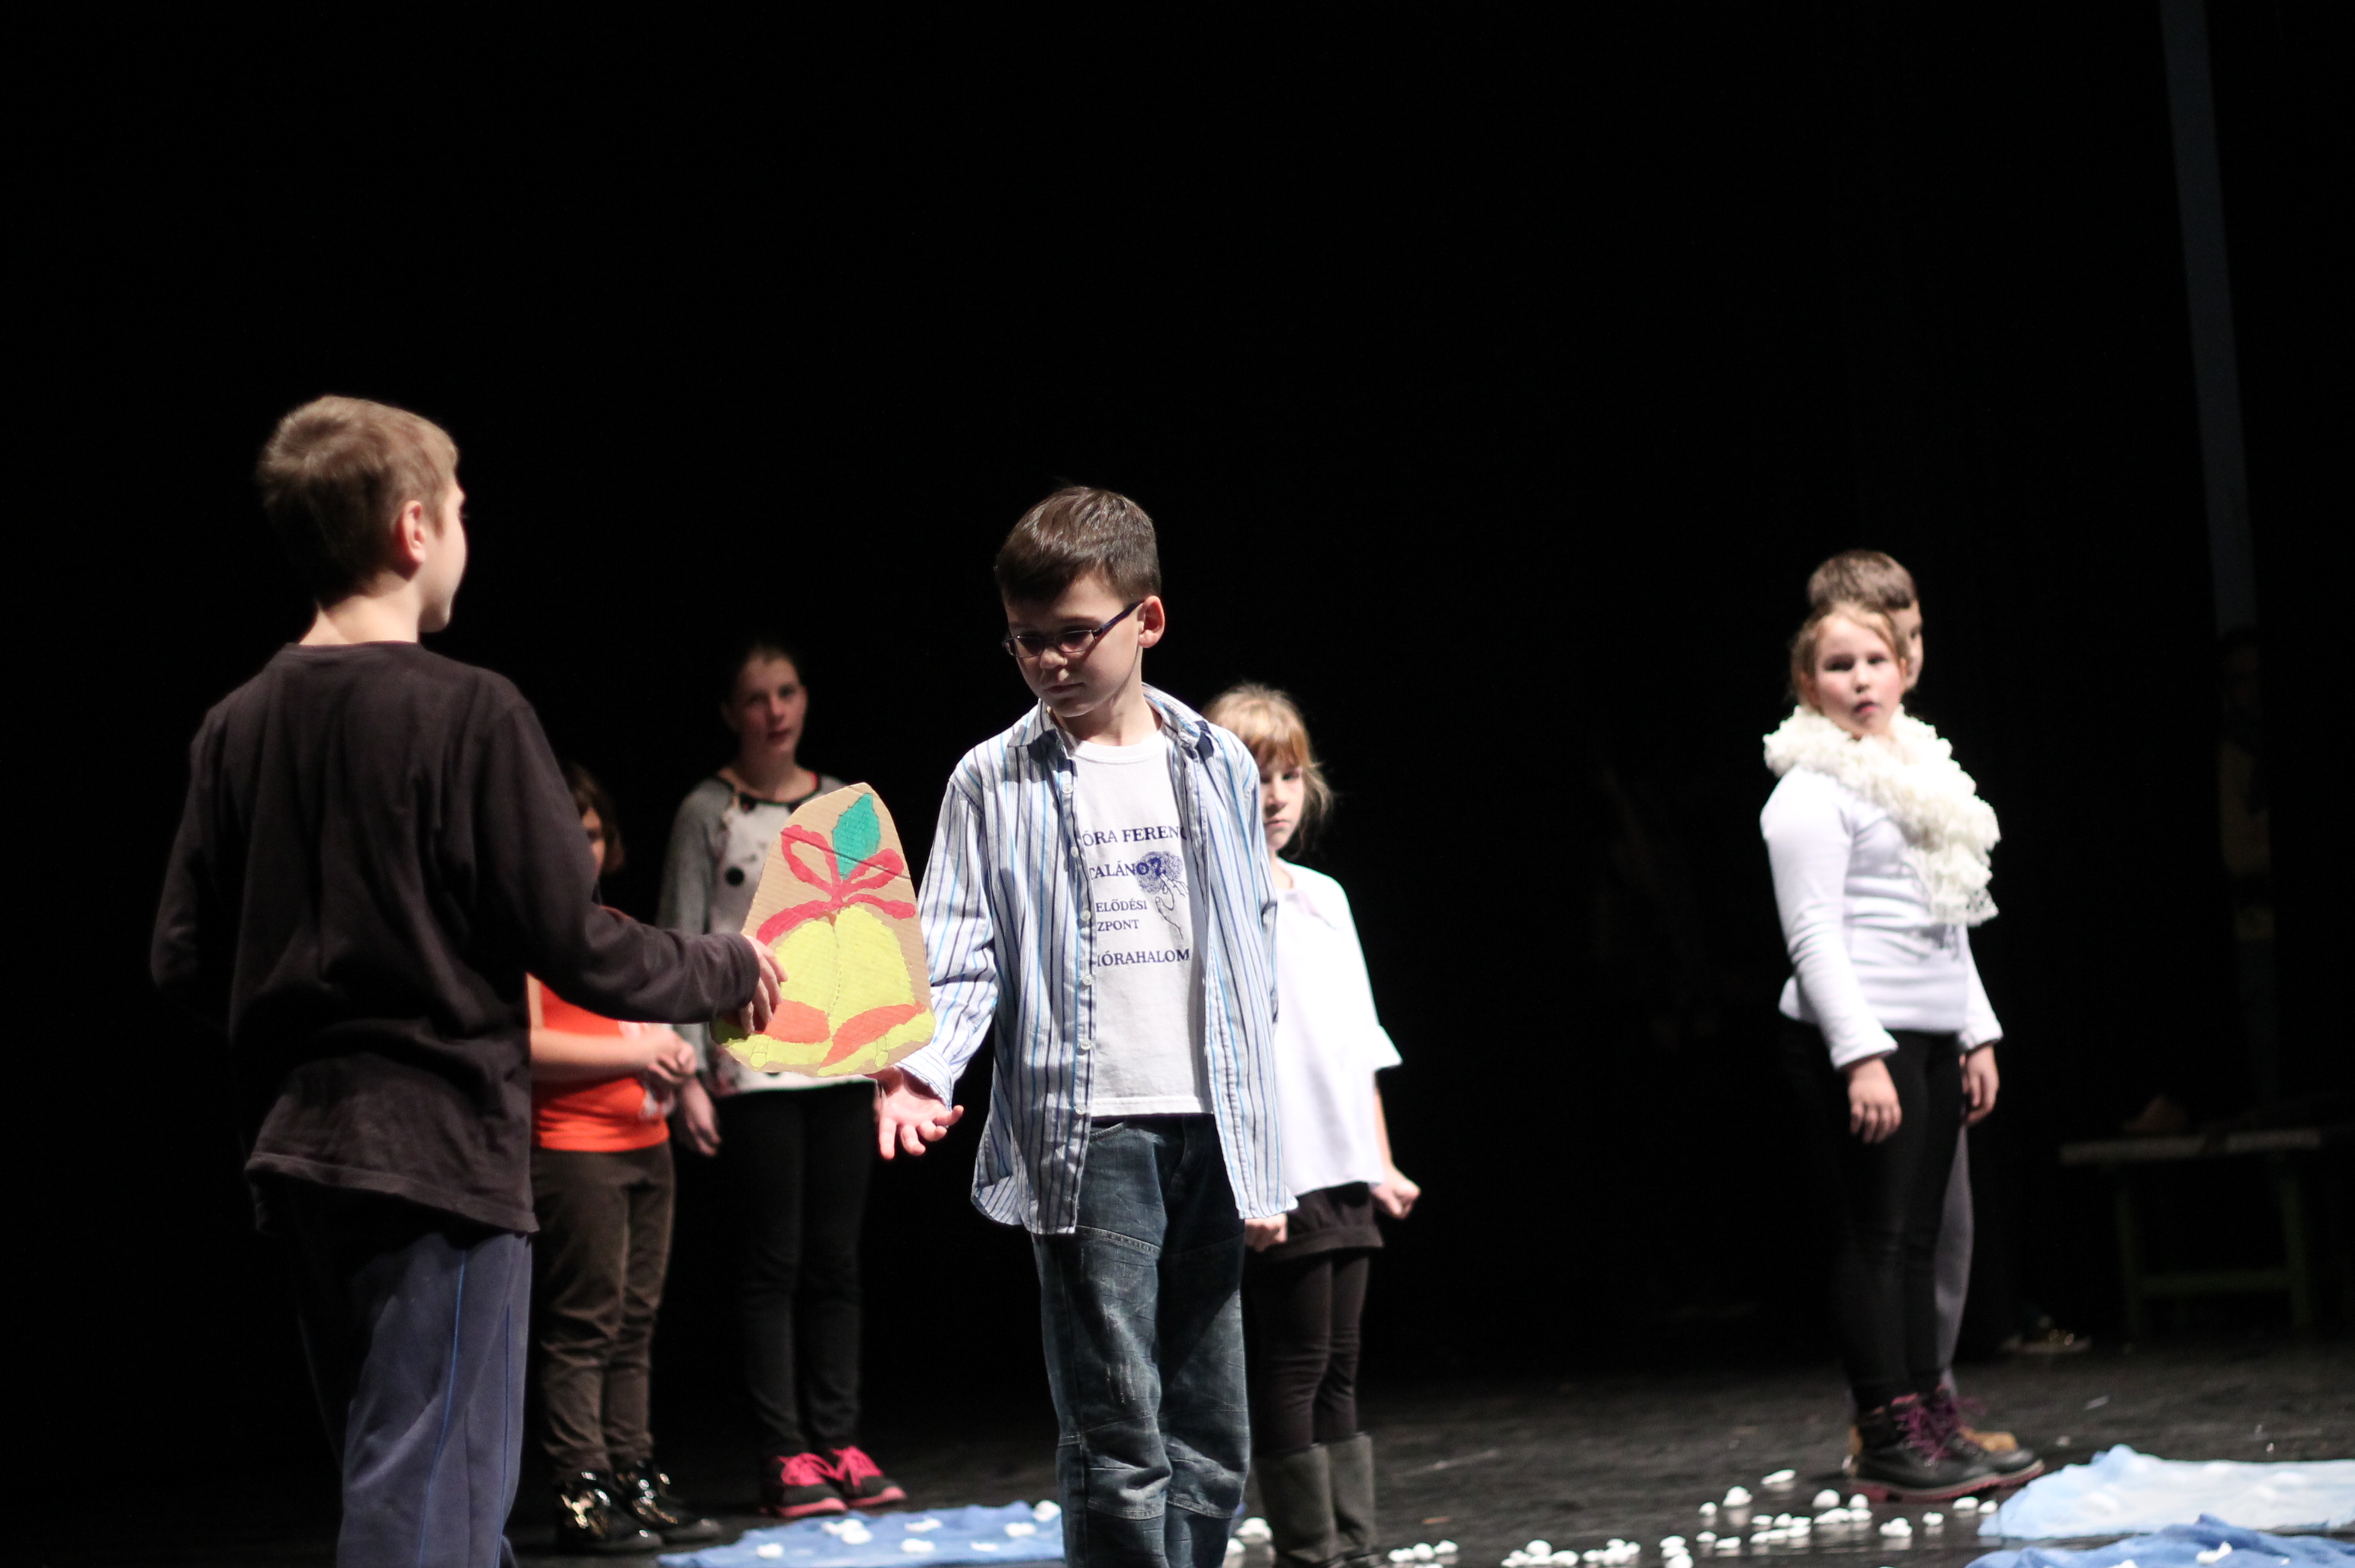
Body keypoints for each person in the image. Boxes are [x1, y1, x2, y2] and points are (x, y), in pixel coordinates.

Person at [152, 396, 780, 1567]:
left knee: (413, 1473)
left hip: (300, 1158)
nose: (462, 534)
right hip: (436, 1160)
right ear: (413, 529)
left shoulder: (235, 726)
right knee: (429, 1494)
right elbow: (577, 942)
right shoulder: (469, 711)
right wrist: (727, 962)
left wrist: (305, 1031)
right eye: (459, 512)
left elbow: (183, 958)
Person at [875, 486, 1286, 1568]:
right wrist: (921, 1068)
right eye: (1025, 641)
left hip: (1211, 1122)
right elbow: (956, 942)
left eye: (1072, 635)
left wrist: (1266, 1140)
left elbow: (1252, 940)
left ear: (1145, 620)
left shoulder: (1215, 761)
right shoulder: (991, 777)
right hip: (1090, 1131)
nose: (1049, 662)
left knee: (1212, 1430)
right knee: (1119, 1432)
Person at [1760, 599, 2039, 1499]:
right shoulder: (1807, 793)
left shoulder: (1918, 773)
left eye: (1874, 660)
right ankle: (1883, 1429)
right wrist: (1858, 1056)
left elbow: (1947, 914)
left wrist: (1975, 1030)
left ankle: (1931, 1414)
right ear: (1809, 684)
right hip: (1859, 1039)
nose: (1860, 679)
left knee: (1919, 1239)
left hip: (1928, 1031)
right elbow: (1812, 934)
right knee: (1874, 1237)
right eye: (1838, 666)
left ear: (1903, 668)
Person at [657, 638, 902, 1518]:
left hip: (836, 1061)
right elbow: (682, 937)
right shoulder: (707, 810)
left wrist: (889, 1061)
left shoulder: (840, 804)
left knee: (836, 1261)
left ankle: (838, 1439)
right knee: (774, 1261)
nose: (775, 711)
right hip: (752, 1065)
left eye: (787, 691)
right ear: (732, 712)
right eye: (757, 697)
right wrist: (687, 1071)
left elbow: (870, 935)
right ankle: (784, 1451)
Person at [1202, 685, 1418, 1568]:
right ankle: (1310, 1550)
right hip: (1282, 1171)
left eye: (1288, 775)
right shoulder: (1214, 903)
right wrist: (1252, 1180)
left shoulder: (1325, 897)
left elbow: (1359, 1040)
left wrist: (1381, 1160)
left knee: (1339, 1358)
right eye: (1255, 776)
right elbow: (1223, 1052)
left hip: (1344, 1160)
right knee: (1294, 1361)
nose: (1275, 795)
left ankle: (1351, 1544)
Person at [529, 763, 724, 1554]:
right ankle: (581, 1485)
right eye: (566, 835)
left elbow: (645, 1027)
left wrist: (679, 1068)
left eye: (593, 834)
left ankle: (632, 1472)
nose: (582, 849)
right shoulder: (527, 937)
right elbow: (527, 1045)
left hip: (646, 1143)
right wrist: (637, 1055)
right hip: (577, 1149)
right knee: (585, 1324)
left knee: (634, 1323)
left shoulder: (614, 929)